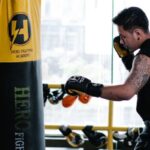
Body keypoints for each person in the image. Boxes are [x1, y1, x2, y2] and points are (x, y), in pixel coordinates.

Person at [64, 7, 150, 150]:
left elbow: (127, 91)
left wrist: (88, 87)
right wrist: (128, 60)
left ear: (137, 34)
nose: (121, 42)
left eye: (124, 36)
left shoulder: (145, 55)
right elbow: (143, 80)